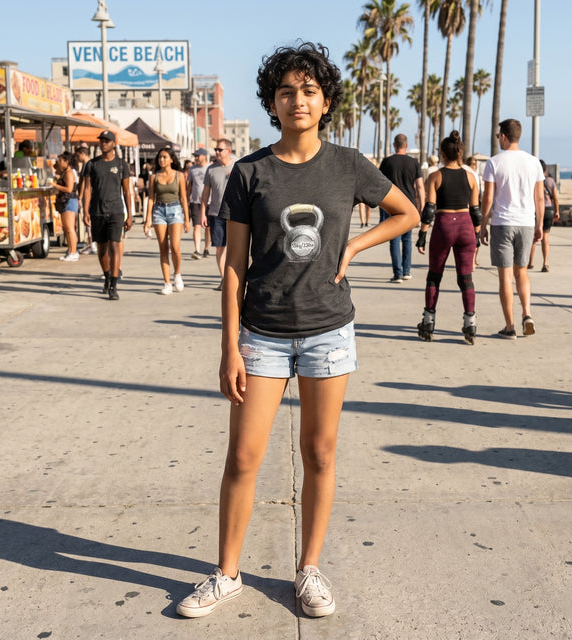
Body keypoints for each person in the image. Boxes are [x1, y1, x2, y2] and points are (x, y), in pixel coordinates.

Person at [175, 41, 419, 620]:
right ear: (273, 102)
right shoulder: (248, 172)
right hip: (261, 332)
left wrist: (355, 245)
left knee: (321, 453)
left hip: (328, 330)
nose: (298, 100)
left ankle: (308, 569)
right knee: (242, 457)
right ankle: (227, 573)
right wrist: (230, 346)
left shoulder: (349, 165)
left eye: (309, 90)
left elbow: (408, 212)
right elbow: (234, 265)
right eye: (287, 91)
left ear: (326, 100)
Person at [480, 118, 544, 339]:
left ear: (504, 136)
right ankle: (527, 313)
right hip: (526, 222)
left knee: (505, 277)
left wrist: (482, 225)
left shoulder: (494, 162)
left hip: (502, 223)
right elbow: (539, 198)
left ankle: (510, 327)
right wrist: (540, 225)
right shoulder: (534, 162)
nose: (499, 139)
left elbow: (487, 198)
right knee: (522, 272)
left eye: (499, 136)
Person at [415, 131, 480, 344]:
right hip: (466, 227)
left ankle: (428, 322)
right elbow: (476, 211)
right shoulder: (470, 177)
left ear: (442, 154)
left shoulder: (436, 176)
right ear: (460, 152)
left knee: (434, 275)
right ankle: (470, 324)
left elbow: (429, 210)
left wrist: (423, 234)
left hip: (444, 226)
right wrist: (477, 236)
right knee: (465, 278)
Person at [82, 130, 132, 301]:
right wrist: (85, 210)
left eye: (106, 141)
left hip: (116, 211)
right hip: (97, 211)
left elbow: (127, 191)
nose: (103, 143)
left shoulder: (121, 164)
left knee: (115, 246)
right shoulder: (91, 164)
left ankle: (114, 285)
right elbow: (87, 189)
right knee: (102, 249)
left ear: (113, 143)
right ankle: (107, 276)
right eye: (101, 141)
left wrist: (130, 214)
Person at [378, 133, 425, 282]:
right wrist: (421, 206)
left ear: (394, 145)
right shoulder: (414, 163)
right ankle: (406, 271)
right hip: (409, 204)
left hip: (391, 205)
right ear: (406, 145)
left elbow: (379, 183)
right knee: (407, 239)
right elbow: (420, 186)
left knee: (394, 239)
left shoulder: (387, 162)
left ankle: (397, 273)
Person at [144, 146, 190, 294]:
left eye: (164, 157)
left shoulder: (179, 176)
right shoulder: (154, 177)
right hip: (159, 211)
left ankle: (177, 274)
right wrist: (147, 221)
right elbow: (151, 198)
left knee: (175, 247)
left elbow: (183, 198)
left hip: (176, 210)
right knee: (163, 247)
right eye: (160, 157)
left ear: (171, 159)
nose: (161, 160)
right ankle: (167, 283)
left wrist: (187, 220)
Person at [201, 138, 234, 290]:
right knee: (220, 247)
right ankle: (224, 279)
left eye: (220, 150)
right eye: (216, 150)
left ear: (228, 151)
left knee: (237, 247)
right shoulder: (211, 169)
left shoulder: (238, 166)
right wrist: (203, 213)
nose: (217, 152)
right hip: (216, 213)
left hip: (236, 215)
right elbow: (205, 193)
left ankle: (237, 276)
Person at [528, 160, 559, 272]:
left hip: (536, 210)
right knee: (545, 238)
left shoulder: (533, 181)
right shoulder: (550, 181)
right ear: (545, 170)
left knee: (533, 238)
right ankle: (545, 263)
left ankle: (530, 263)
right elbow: (555, 198)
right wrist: (557, 211)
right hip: (549, 210)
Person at [52, 151, 80, 262]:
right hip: (65, 201)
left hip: (69, 201)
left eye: (60, 161)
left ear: (66, 162)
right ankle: (70, 250)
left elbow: (69, 189)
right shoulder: (64, 172)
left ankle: (73, 251)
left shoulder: (69, 173)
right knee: (67, 229)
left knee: (70, 228)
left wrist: (55, 185)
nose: (58, 163)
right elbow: (55, 168)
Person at [187, 148, 210, 259]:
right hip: (195, 201)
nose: (196, 158)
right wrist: (186, 199)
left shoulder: (209, 169)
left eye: (198, 155)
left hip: (209, 202)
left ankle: (206, 248)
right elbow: (189, 186)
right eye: (195, 155)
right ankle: (197, 250)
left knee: (207, 228)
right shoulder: (192, 169)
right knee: (196, 226)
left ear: (204, 156)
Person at [75, 145, 96, 255]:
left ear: (83, 154)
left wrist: (80, 196)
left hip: (88, 195)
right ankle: (92, 244)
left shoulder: (86, 165)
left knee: (87, 219)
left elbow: (84, 183)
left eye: (78, 155)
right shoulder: (93, 163)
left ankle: (92, 244)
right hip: (93, 194)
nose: (77, 158)